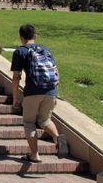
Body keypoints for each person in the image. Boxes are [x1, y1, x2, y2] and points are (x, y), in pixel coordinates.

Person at [11, 24, 67, 163]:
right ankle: (56, 137)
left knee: (29, 123)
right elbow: (55, 71)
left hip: (32, 92)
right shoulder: (46, 50)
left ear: (21, 37)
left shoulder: (20, 52)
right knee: (45, 120)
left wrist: (15, 97)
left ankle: (34, 154)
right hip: (50, 91)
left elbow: (16, 77)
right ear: (35, 37)